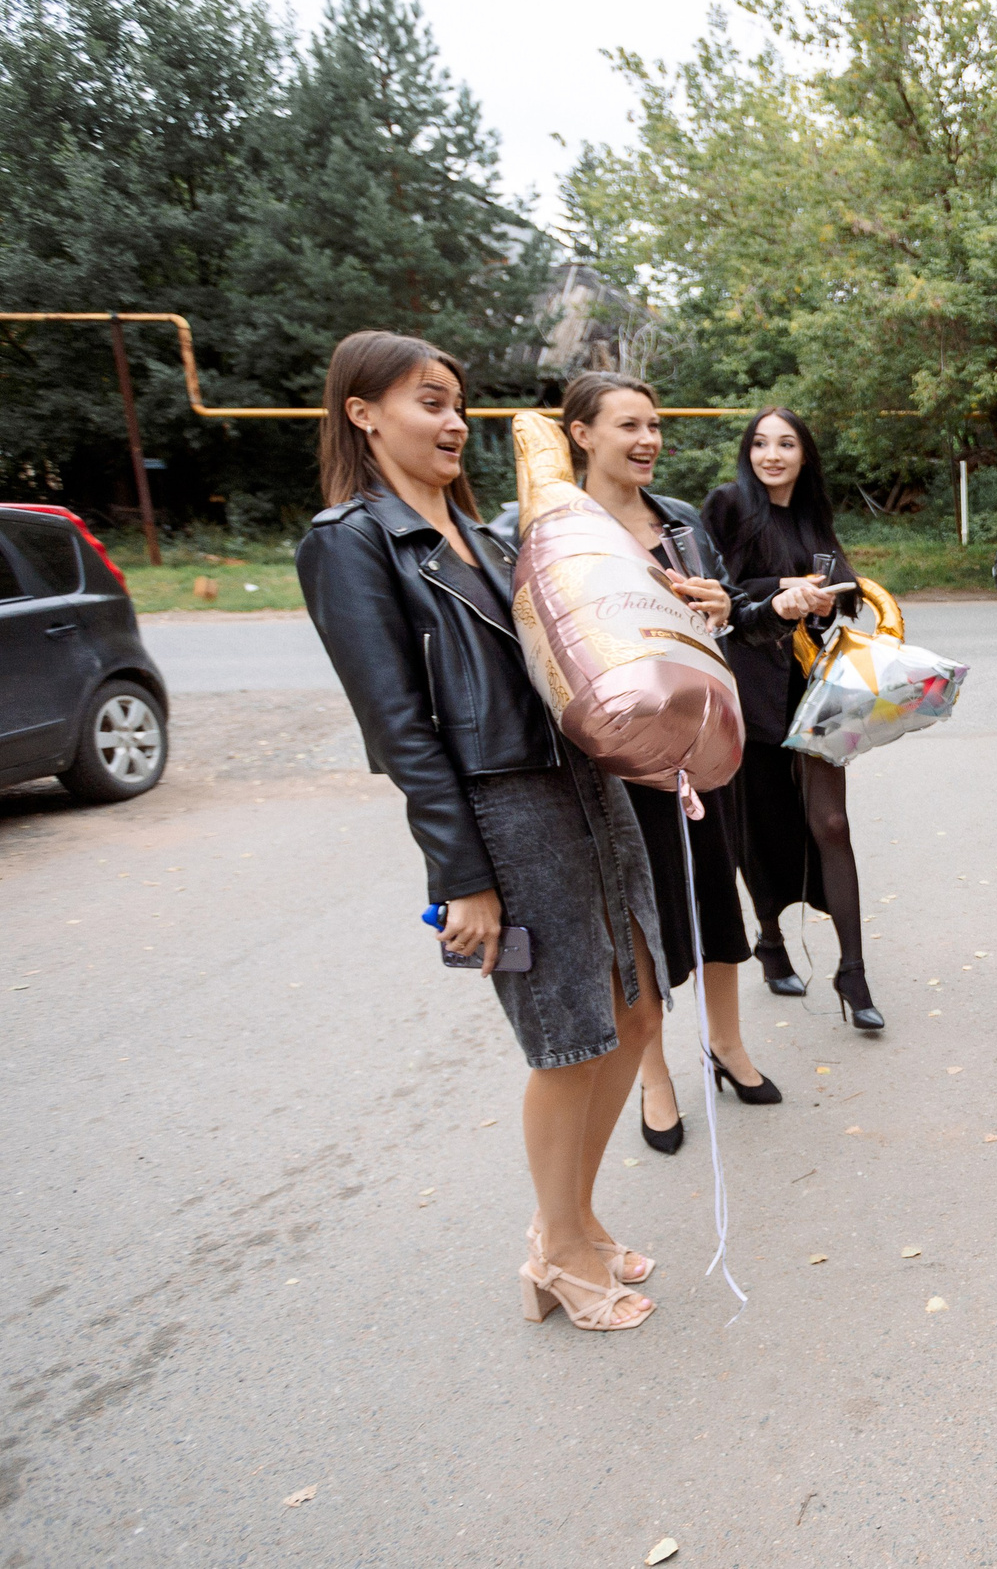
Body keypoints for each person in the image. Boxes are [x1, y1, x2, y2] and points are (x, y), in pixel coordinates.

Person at [296, 331, 666, 1332]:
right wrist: (464, 875)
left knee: (637, 1010)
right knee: (567, 1042)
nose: (454, 421)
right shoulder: (351, 542)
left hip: (588, 790)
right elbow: (400, 729)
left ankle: (575, 1225)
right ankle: (558, 1250)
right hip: (504, 811)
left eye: (457, 402)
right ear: (363, 413)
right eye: (428, 401)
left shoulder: (493, 536)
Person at [557, 370, 792, 1151]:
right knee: (644, 920)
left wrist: (725, 606)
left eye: (653, 424)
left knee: (716, 898)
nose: (648, 439)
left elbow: (722, 612)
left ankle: (725, 1045)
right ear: (582, 434)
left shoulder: (683, 519)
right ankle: (654, 1074)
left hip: (697, 745)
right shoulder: (560, 528)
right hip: (616, 764)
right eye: (628, 425)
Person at [700, 409, 883, 1030]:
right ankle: (771, 940)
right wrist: (789, 584)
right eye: (760, 443)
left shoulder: (813, 514)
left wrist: (837, 590)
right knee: (763, 821)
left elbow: (846, 587)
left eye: (786, 444)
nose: (771, 454)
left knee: (831, 821)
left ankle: (852, 971)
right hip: (749, 687)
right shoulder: (728, 505)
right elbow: (717, 589)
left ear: (805, 455)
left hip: (816, 686)